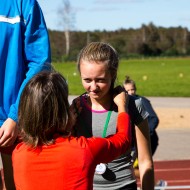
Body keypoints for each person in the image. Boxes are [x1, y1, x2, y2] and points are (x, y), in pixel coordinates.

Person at [12, 71, 131, 190]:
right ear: (62, 111)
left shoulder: (18, 153)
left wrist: (67, 127)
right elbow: (123, 140)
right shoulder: (83, 149)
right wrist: (122, 106)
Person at [72, 42, 154, 190]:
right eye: (87, 80)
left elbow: (145, 161)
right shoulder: (76, 107)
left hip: (124, 186)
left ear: (113, 75)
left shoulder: (134, 105)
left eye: (100, 80)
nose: (93, 87)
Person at [0, 0, 51, 189]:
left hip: (16, 119)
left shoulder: (24, 3)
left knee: (19, 183)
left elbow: (39, 63)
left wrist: (16, 115)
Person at [123, 76, 167, 188]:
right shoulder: (123, 103)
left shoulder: (141, 101)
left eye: (132, 89)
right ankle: (151, 185)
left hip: (147, 141)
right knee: (131, 167)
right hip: (133, 144)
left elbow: (154, 119)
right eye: (127, 90)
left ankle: (155, 184)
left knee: (131, 167)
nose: (130, 92)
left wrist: (144, 132)